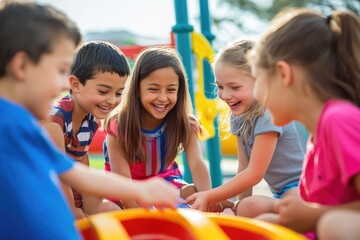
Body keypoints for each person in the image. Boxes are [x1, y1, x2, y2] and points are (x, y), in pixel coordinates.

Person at [0, 2, 178, 239]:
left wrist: (140, 189)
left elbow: (74, 171)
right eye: (60, 70)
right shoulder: (18, 124)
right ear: (21, 66)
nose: (64, 84)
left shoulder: (21, 123)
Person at [248, 8, 360, 239]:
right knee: (263, 219)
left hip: (334, 227)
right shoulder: (317, 132)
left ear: (283, 74)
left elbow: (327, 218)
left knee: (335, 224)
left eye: (257, 80)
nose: (256, 95)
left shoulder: (339, 119)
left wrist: (315, 215)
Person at [184, 40, 304, 215]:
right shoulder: (239, 116)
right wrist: (239, 206)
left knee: (247, 206)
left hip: (301, 192)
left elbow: (255, 173)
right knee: (241, 205)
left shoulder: (268, 113)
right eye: (220, 86)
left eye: (234, 87)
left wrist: (212, 196)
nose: (225, 95)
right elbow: (244, 167)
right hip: (281, 195)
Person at [104, 47, 225, 211]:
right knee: (111, 209)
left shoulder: (184, 124)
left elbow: (197, 163)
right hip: (127, 188)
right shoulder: (118, 126)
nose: (162, 97)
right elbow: (123, 182)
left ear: (179, 91)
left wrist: (207, 197)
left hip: (165, 182)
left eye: (171, 90)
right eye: (153, 89)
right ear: (137, 89)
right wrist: (139, 213)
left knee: (196, 193)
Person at [42, 40, 130, 218]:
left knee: (113, 213)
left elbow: (82, 157)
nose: (112, 100)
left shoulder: (91, 120)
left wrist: (89, 203)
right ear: (75, 85)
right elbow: (59, 172)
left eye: (119, 93)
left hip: (72, 192)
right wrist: (73, 211)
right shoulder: (54, 121)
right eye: (104, 92)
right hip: (47, 195)